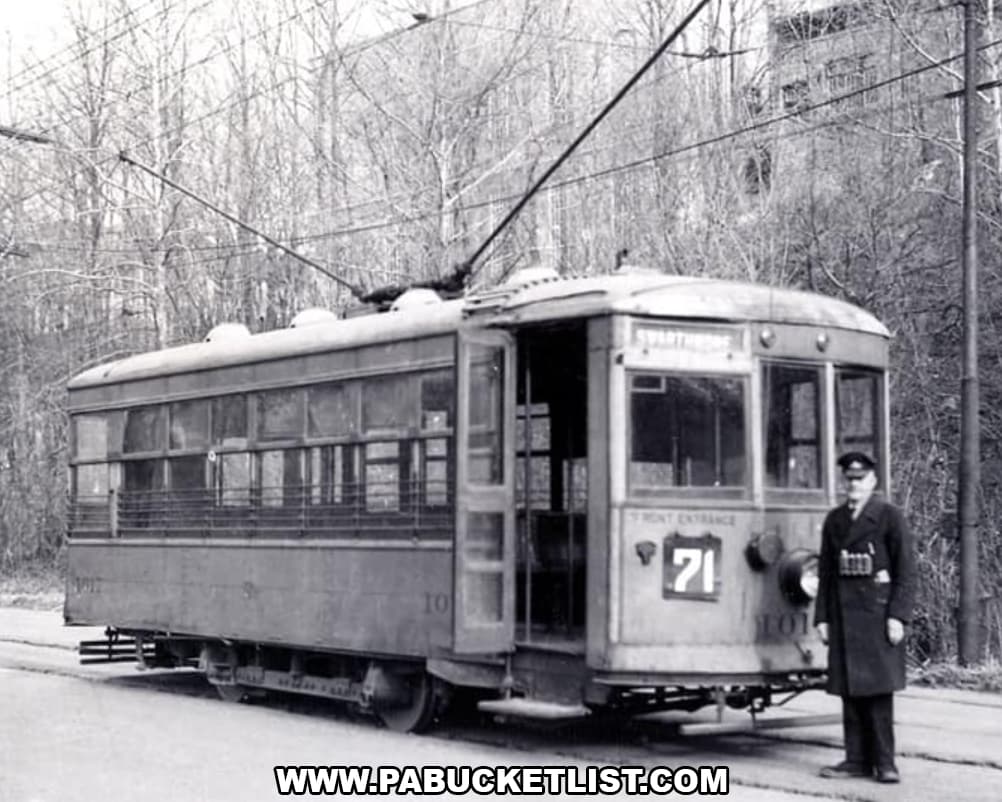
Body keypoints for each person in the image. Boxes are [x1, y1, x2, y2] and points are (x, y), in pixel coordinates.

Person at [814, 451, 916, 784]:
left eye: (860, 479)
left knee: (878, 692)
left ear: (873, 481)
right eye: (849, 479)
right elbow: (826, 573)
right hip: (844, 618)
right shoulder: (835, 520)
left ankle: (886, 763)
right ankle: (856, 759)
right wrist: (823, 618)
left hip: (877, 615)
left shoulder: (889, 517)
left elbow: (906, 572)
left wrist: (898, 616)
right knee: (850, 692)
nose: (854, 485)